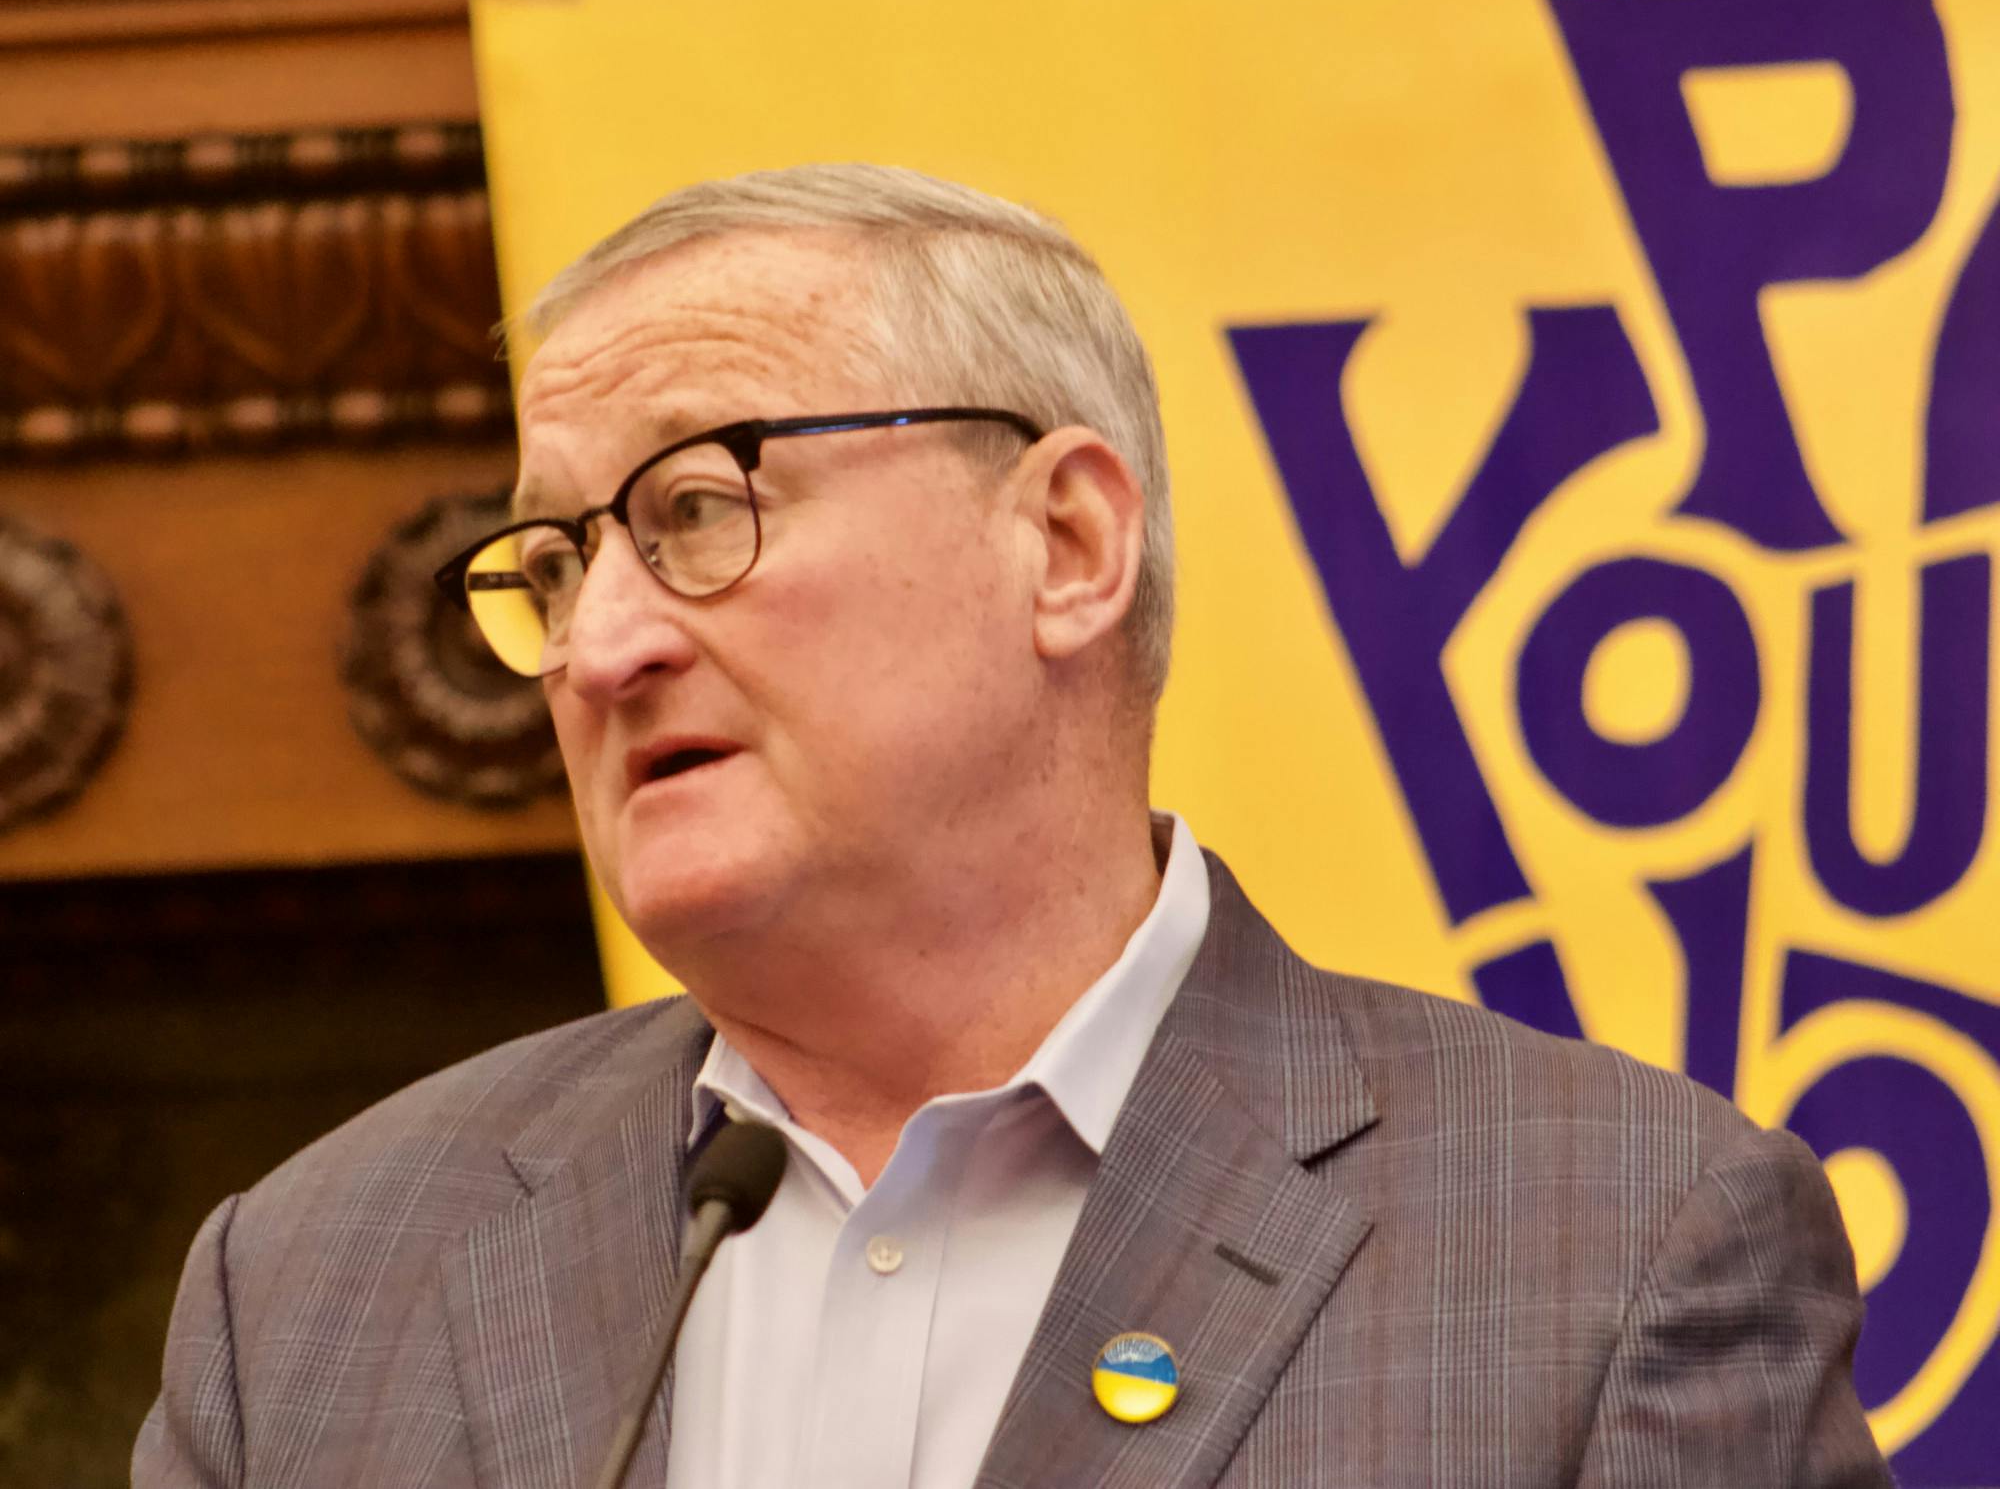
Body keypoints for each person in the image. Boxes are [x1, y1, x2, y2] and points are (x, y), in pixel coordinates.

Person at [135, 164, 1891, 1489]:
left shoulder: (1612, 1253)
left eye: (693, 507)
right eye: (553, 561)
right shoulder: (309, 1291)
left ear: (1064, 545)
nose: (600, 646)